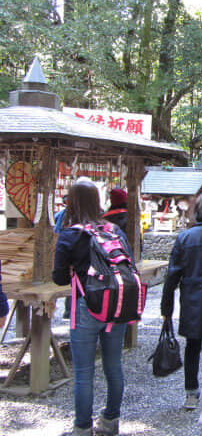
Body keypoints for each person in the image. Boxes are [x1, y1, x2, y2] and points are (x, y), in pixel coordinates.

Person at [52, 180, 131, 436]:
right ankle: (110, 421)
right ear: (97, 200)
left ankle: (83, 428)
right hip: (116, 304)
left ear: (72, 202)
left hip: (86, 304)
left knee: (84, 372)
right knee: (113, 365)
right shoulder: (114, 229)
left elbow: (59, 278)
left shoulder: (70, 234)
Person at [161, 192, 202, 410]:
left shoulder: (185, 237)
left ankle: (191, 392)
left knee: (192, 345)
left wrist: (166, 306)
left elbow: (172, 275)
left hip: (192, 297)